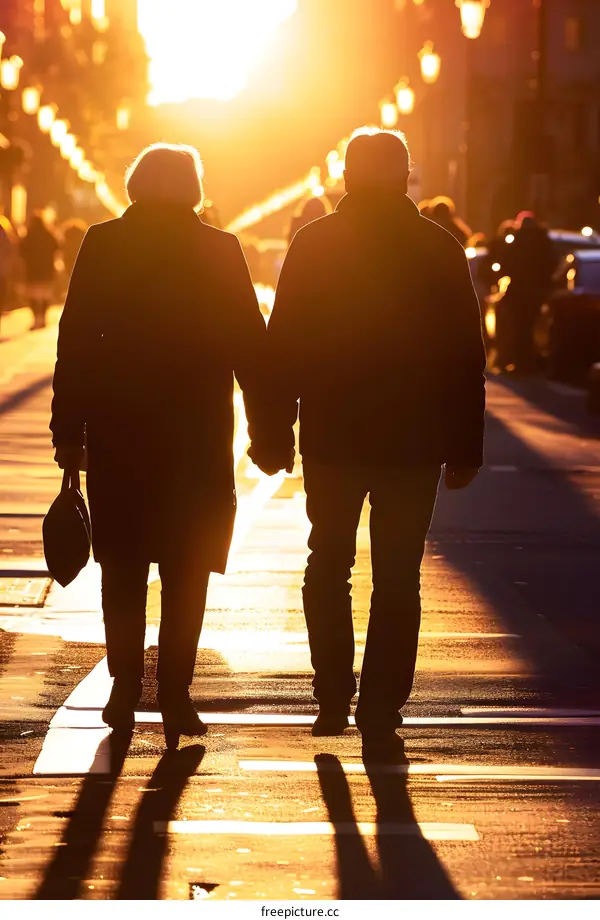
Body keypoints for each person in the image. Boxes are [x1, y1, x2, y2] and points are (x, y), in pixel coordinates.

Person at [255, 129, 486, 758]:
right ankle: (382, 700)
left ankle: (332, 691)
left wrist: (273, 432)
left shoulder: (316, 244)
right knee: (398, 572)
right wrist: (465, 444)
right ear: (405, 175)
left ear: (349, 177)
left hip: (334, 431)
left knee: (327, 561)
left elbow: (284, 343)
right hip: (413, 438)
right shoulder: (438, 247)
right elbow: (467, 353)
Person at [50, 143, 269, 750]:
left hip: (120, 431)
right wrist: (271, 428)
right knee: (187, 567)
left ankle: (124, 686)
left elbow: (76, 340)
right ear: (192, 188)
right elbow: (250, 342)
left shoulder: (105, 243)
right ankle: (175, 692)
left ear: (137, 185)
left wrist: (68, 431)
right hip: (195, 434)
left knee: (120, 565)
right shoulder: (220, 250)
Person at [500, 212, 556, 373]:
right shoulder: (543, 242)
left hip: (520, 291)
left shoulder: (518, 241)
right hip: (535, 292)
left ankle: (520, 362)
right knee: (531, 327)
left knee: (519, 328)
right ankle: (529, 362)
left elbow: (506, 264)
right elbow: (551, 265)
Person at [20, 211, 59, 329]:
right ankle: (42, 317)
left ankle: (37, 317)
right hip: (46, 270)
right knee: (45, 296)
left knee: (34, 296)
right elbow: (56, 247)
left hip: (33, 271)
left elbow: (22, 250)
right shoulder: (49, 234)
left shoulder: (29, 235)